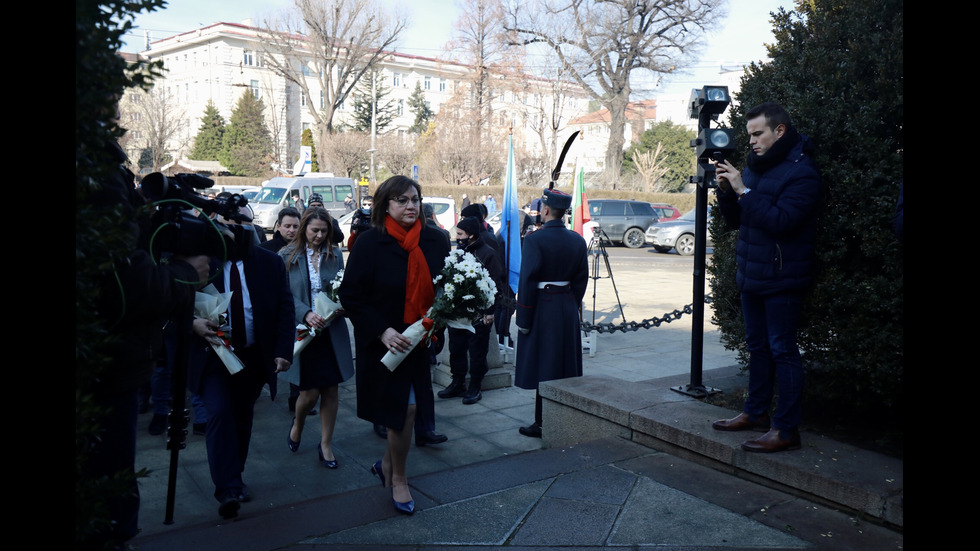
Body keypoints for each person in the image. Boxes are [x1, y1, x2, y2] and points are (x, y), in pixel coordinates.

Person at [84, 140, 209, 550]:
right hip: (102, 372)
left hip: (109, 364)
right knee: (108, 495)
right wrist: (183, 274)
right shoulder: (93, 167)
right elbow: (126, 285)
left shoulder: (99, 162)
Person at [712, 101, 821, 453]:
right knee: (757, 348)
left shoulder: (802, 172)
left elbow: (783, 222)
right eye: (750, 135)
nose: (753, 142)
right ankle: (755, 413)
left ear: (780, 131)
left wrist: (743, 190)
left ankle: (786, 429)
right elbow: (738, 222)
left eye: (758, 134)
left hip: (783, 277)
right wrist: (728, 194)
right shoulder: (756, 167)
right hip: (752, 273)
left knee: (782, 351)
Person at [338, 175, 451, 515]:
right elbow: (351, 296)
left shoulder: (435, 240)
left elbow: (446, 286)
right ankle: (398, 476)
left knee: (408, 409)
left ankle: (389, 467)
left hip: (419, 339)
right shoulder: (370, 243)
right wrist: (381, 331)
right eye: (402, 200)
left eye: (415, 199)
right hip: (385, 344)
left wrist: (442, 318)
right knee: (402, 411)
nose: (411, 205)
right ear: (386, 205)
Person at [187, 207, 295, 519]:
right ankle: (228, 489)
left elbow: (285, 307)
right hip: (213, 356)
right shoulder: (199, 263)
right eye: (226, 224)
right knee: (219, 412)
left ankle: (236, 475)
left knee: (242, 418)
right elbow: (172, 303)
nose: (234, 230)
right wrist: (192, 323)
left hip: (252, 357)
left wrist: (283, 350)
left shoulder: (269, 263)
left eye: (241, 224)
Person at [280, 207, 355, 468]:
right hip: (303, 332)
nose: (320, 235)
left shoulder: (335, 256)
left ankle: (325, 445)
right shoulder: (286, 256)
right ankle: (298, 423)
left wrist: (343, 304)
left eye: (324, 231)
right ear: (304, 229)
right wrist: (306, 314)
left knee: (331, 390)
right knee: (309, 394)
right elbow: (284, 297)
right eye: (315, 230)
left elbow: (342, 287)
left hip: (331, 332)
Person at [513, 189, 589, 438]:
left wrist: (523, 318)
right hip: (565, 307)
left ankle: (542, 422)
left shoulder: (535, 240)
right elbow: (581, 281)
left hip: (542, 309)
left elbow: (526, 282)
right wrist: (569, 303)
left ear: (545, 210)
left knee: (544, 366)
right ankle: (562, 417)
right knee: (563, 364)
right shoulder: (577, 240)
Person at [439, 216, 506, 404]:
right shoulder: (460, 252)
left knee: (477, 351)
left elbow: (495, 285)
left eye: (460, 234)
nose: (457, 237)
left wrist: (490, 311)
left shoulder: (488, 253)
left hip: (478, 314)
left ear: (471, 234)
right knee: (456, 348)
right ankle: (457, 382)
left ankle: (475, 386)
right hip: (458, 313)